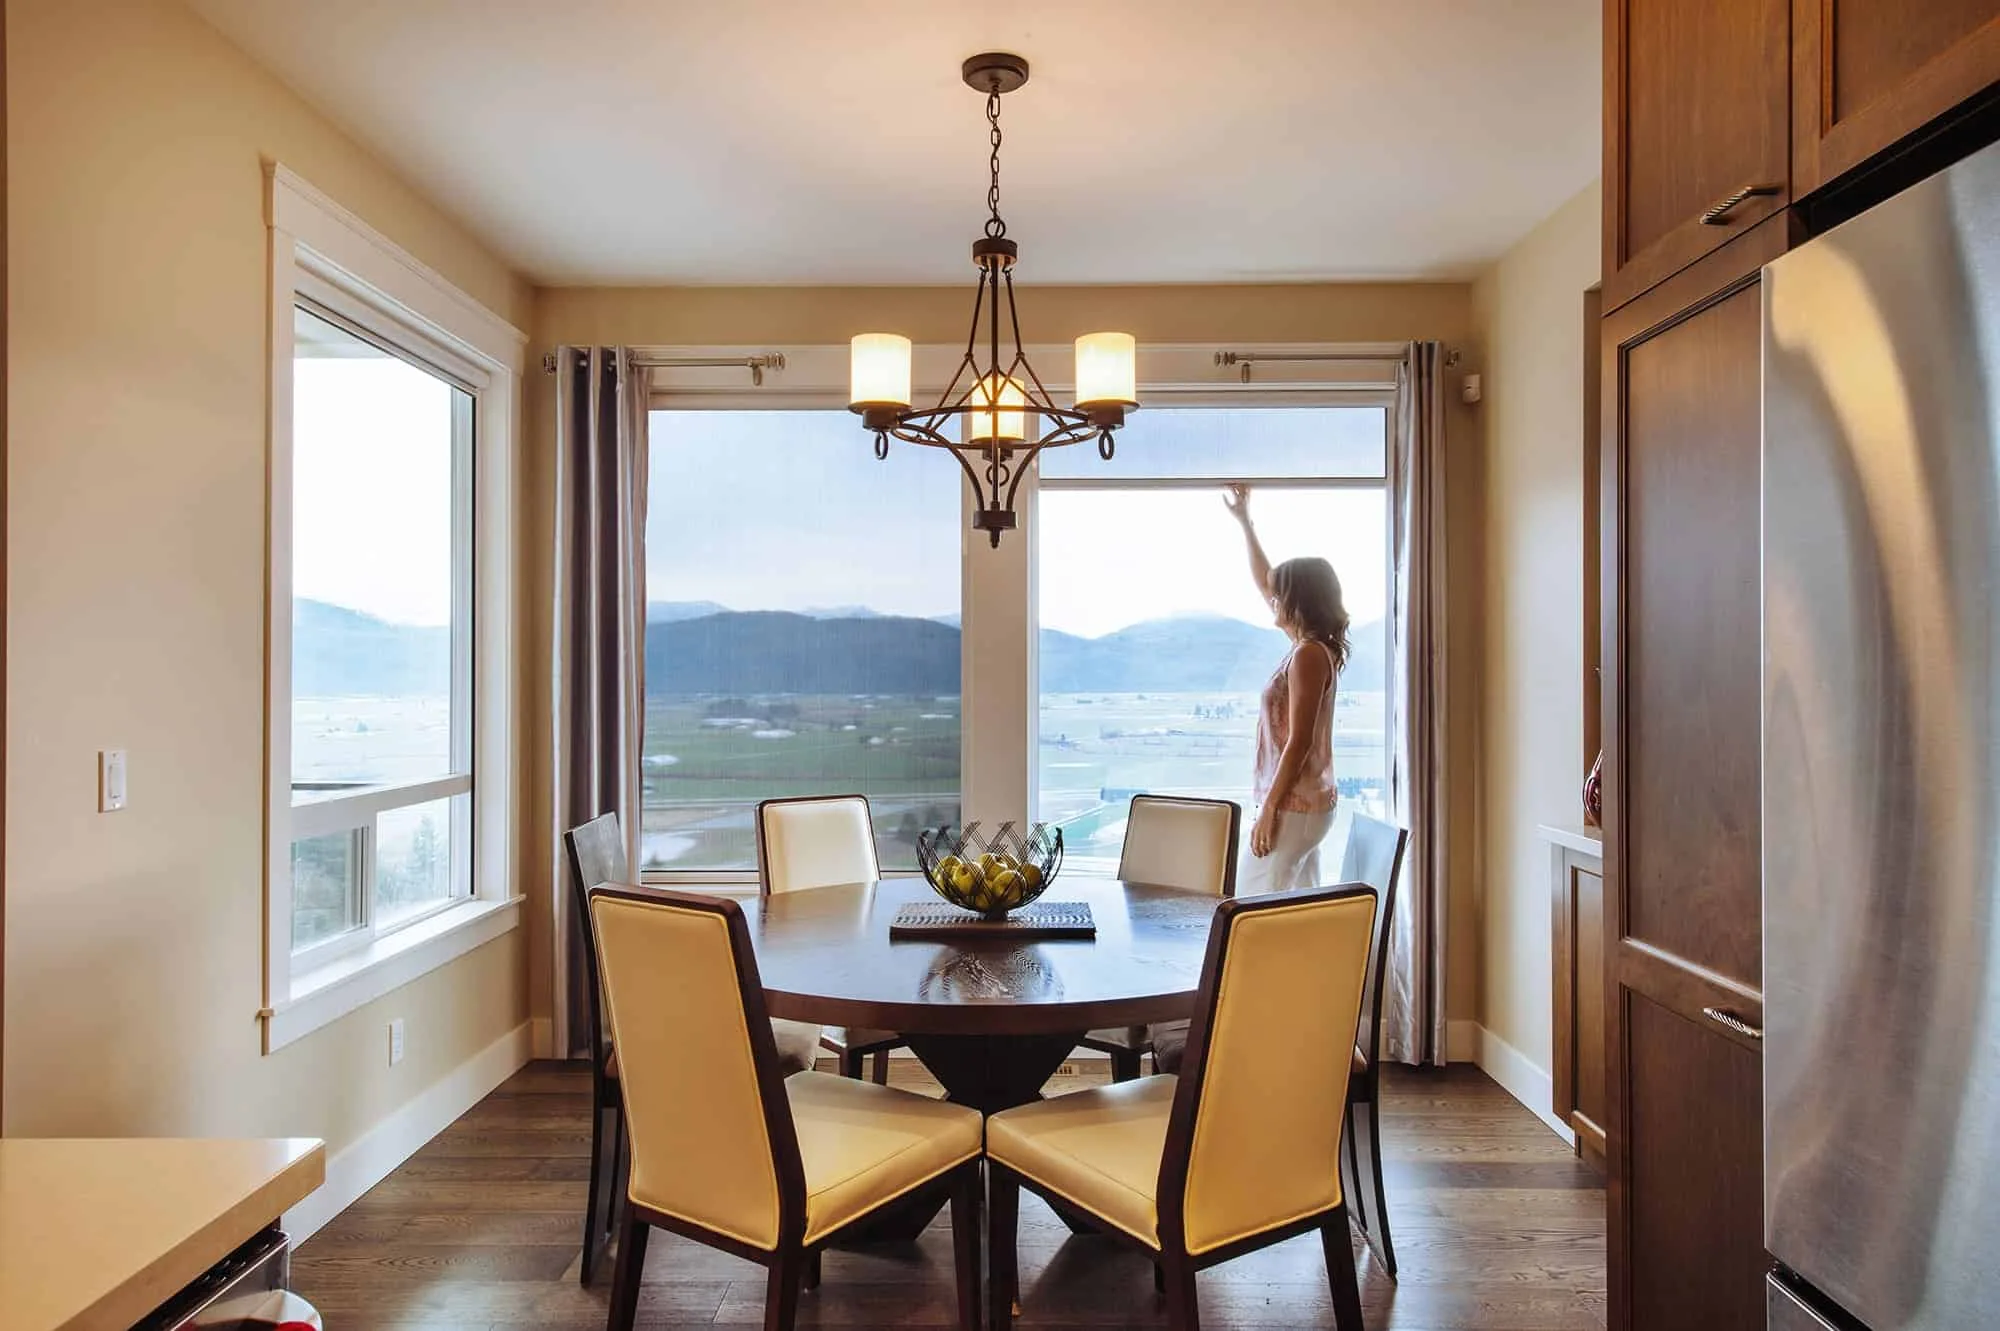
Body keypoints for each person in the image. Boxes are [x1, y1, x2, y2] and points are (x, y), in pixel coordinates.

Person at [1223, 483, 1349, 893]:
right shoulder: (1307, 647)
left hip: (1295, 807)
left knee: (1254, 908)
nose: (1272, 598)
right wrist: (1245, 523)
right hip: (1307, 805)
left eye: (1281, 594)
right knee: (1295, 907)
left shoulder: (1308, 654)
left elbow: (1299, 741)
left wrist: (1270, 810)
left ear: (1299, 601)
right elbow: (1265, 582)